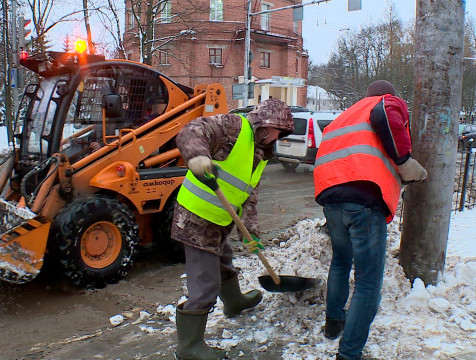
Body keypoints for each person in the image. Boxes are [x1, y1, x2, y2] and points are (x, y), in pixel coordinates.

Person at [171, 98, 294, 360]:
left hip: (219, 220)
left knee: (224, 261)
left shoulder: (259, 154)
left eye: (282, 134)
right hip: (195, 215)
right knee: (206, 280)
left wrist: (252, 236)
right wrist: (198, 155)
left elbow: (248, 198)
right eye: (278, 131)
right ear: (265, 123)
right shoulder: (233, 127)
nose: (278, 137)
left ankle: (234, 302)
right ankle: (189, 346)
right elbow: (192, 130)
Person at [313, 80, 427, 360]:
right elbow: (384, 116)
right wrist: (403, 161)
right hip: (363, 200)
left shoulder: (345, 114)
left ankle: (333, 324)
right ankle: (349, 353)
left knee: (341, 262)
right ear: (390, 94)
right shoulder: (386, 102)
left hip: (330, 197)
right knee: (367, 281)